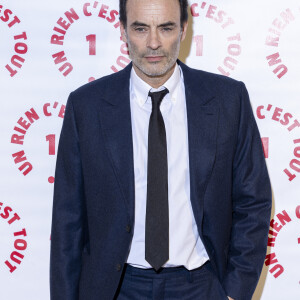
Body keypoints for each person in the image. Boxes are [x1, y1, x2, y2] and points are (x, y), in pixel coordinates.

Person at [50, 0, 272, 299]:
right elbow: (68, 220)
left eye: (165, 28)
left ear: (183, 29)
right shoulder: (86, 107)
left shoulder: (227, 100)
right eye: (140, 28)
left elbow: (253, 201)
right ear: (123, 31)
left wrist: (234, 292)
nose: (153, 43)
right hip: (115, 288)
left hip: (202, 285)